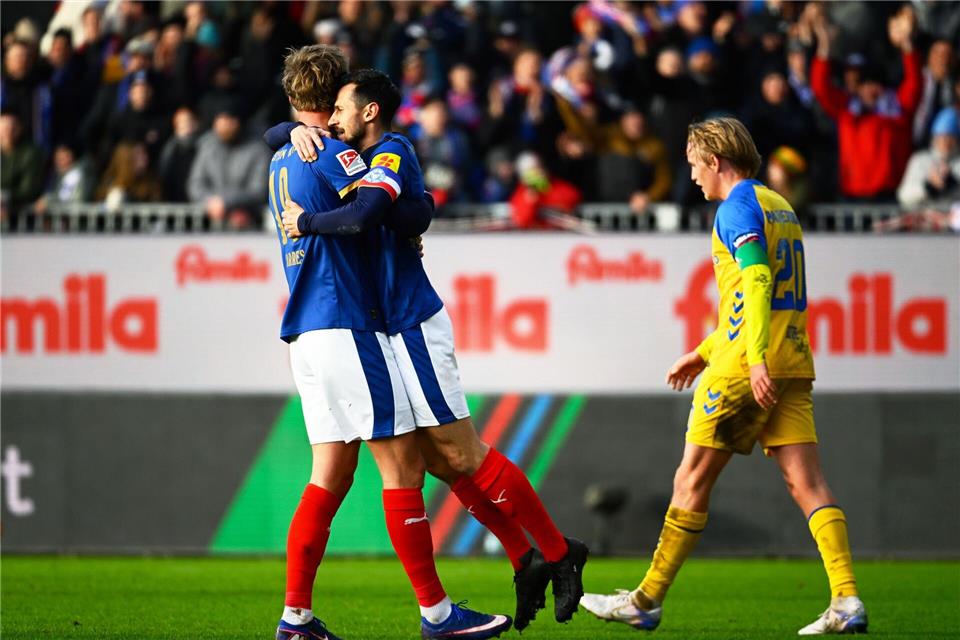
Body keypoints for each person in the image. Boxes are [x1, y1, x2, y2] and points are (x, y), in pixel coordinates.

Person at [268, 68, 588, 632]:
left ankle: (557, 555)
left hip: (407, 322)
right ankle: (523, 560)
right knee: (437, 461)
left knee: (458, 455)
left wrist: (316, 218)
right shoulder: (325, 148)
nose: (337, 118)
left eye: (344, 108)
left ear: (365, 112)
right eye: (333, 108)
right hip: (378, 327)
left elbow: (382, 210)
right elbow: (404, 208)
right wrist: (290, 130)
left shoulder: (386, 153)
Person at [579, 117, 867, 636]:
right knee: (808, 483)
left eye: (693, 164)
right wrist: (704, 349)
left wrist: (749, 359)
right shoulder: (779, 204)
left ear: (715, 161)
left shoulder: (735, 209)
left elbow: (756, 281)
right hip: (792, 360)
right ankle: (846, 599)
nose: (692, 176)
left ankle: (646, 601)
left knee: (691, 480)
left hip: (747, 369)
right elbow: (754, 300)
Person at [897, 106, 960, 209]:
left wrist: (953, 184)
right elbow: (904, 195)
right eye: (941, 137)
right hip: (924, 221)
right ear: (934, 137)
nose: (945, 142)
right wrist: (928, 187)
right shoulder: (920, 160)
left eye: (950, 138)